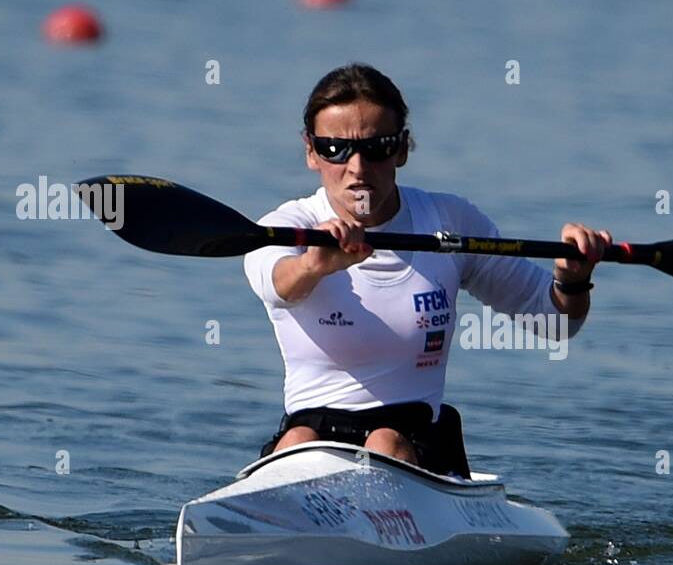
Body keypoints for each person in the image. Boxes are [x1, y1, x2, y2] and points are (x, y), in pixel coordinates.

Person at [244, 63, 611, 477]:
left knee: (385, 442)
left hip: (413, 440)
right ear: (311, 152)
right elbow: (280, 285)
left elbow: (554, 322)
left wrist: (573, 279)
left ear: (402, 148)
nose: (358, 168)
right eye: (336, 148)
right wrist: (314, 264)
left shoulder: (449, 221)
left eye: (377, 147)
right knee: (298, 443)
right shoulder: (284, 227)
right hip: (311, 435)